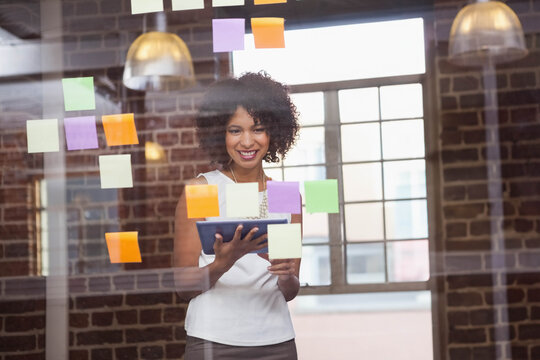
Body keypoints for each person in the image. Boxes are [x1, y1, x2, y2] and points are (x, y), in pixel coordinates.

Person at [174, 71, 302, 360]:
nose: (247, 142)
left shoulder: (285, 194)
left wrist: (286, 274)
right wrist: (223, 262)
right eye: (235, 130)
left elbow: (291, 290)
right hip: (212, 340)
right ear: (220, 132)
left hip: (276, 342)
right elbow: (183, 286)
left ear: (274, 132)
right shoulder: (203, 189)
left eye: (257, 129)